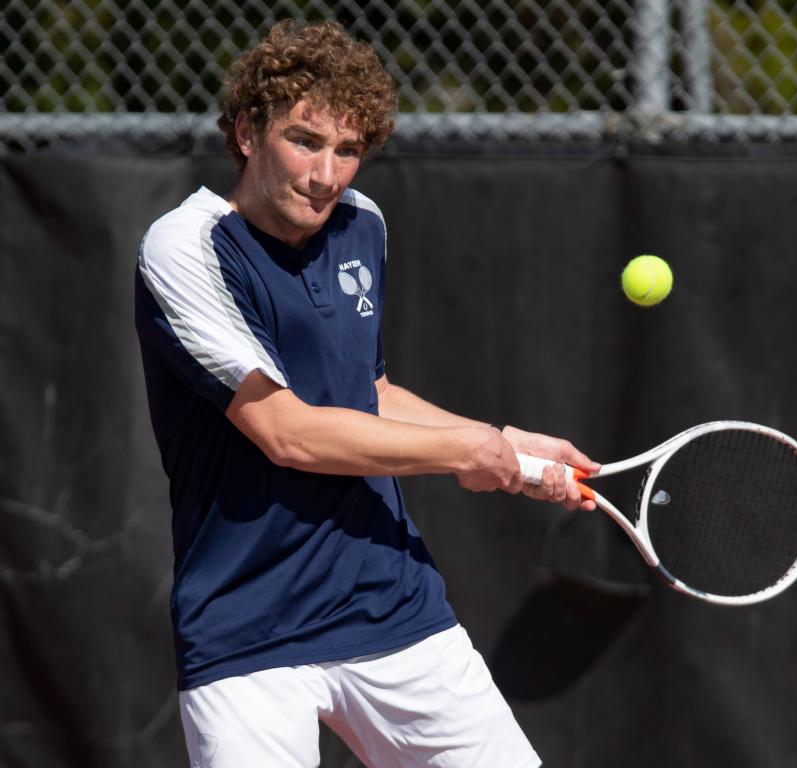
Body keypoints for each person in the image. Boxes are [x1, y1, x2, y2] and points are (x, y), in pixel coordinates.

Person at [134, 18, 598, 768]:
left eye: (348, 150)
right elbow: (287, 432)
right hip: (247, 628)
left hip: (389, 603)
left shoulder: (361, 225)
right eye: (306, 141)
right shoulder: (184, 246)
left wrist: (503, 441)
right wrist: (464, 451)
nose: (326, 175)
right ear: (247, 132)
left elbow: (365, 391)